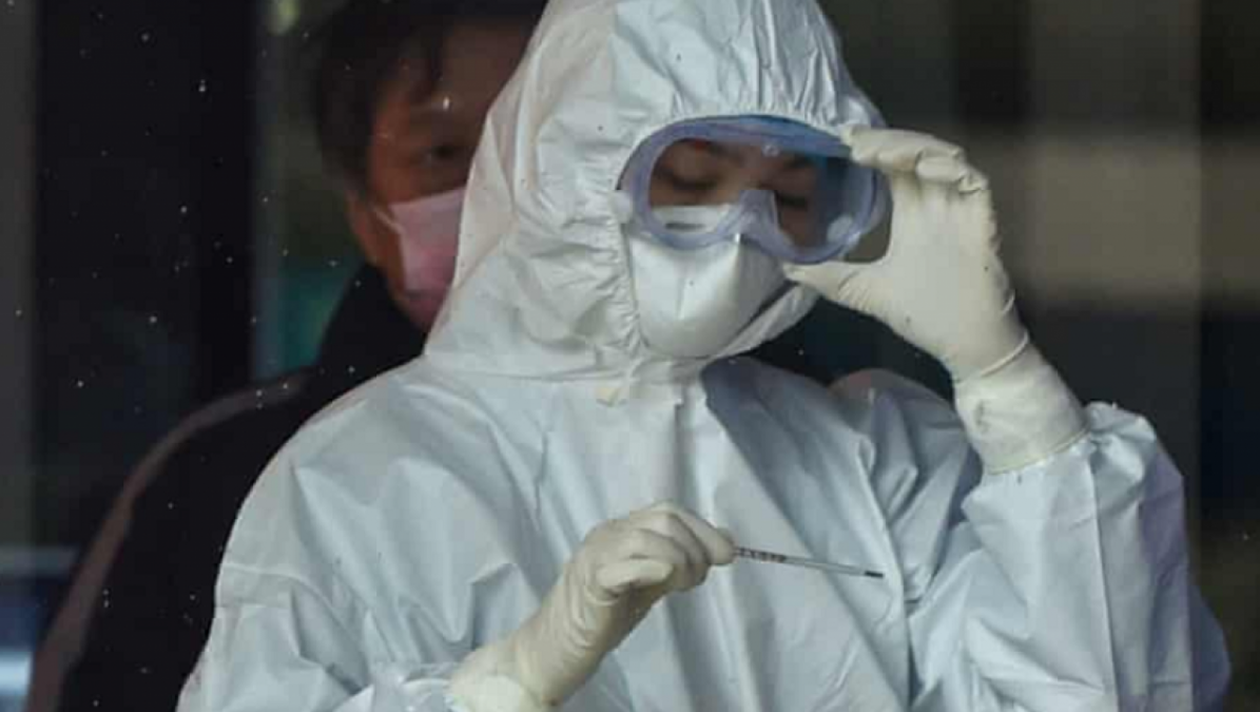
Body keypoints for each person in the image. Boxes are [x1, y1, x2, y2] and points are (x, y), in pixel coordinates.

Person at [174, 0, 1230, 709]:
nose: (739, 230)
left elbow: (1108, 692)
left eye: (792, 194)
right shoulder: (363, 478)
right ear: (566, 162)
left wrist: (1011, 387)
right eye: (687, 179)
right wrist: (506, 686)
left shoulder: (872, 458)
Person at [24, 2, 543, 711]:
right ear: (363, 210)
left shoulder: (704, 439)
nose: (499, 188)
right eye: (445, 155)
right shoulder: (220, 479)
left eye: (540, 137)